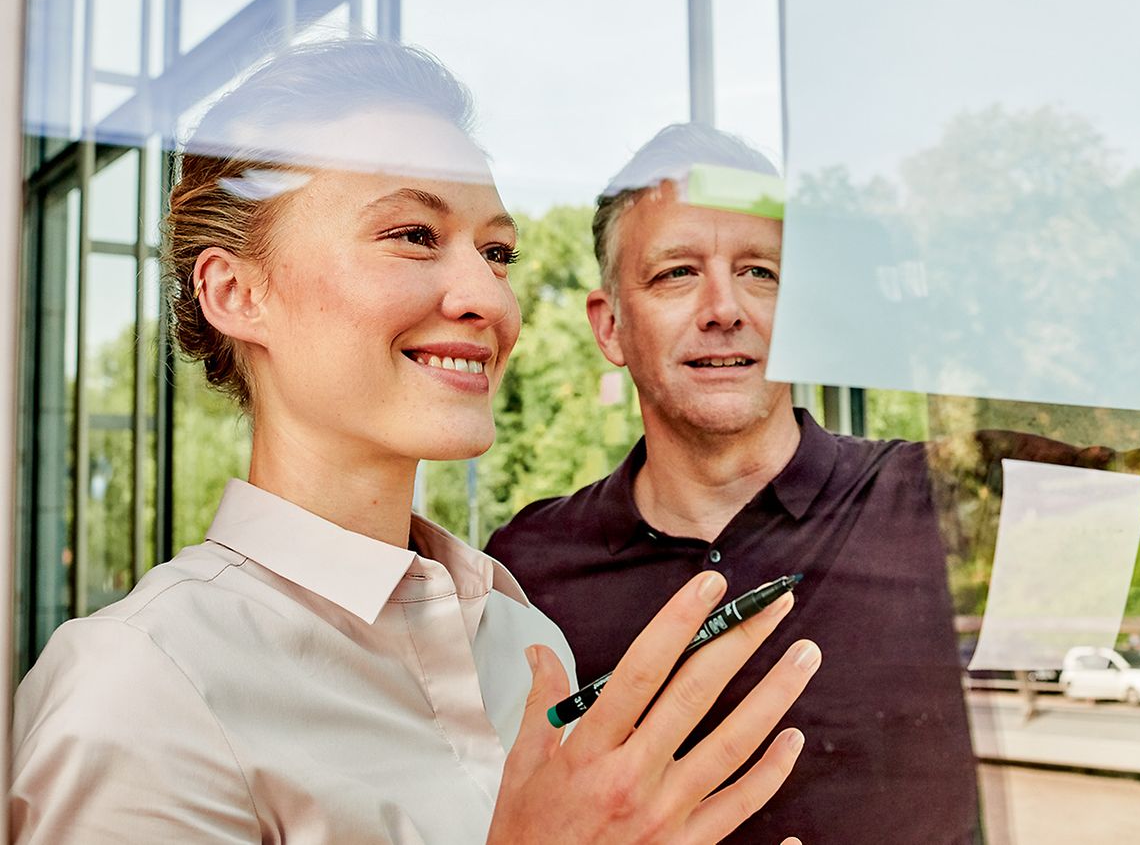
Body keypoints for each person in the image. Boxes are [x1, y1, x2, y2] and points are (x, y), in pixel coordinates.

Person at [9, 42, 821, 844]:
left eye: (497, 253)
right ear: (237, 292)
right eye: (413, 235)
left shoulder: (523, 644)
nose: (488, 299)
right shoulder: (143, 682)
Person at [488, 124, 992, 844]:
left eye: (761, 272)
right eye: (676, 274)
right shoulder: (522, 568)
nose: (725, 309)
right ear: (611, 328)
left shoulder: (940, 497)